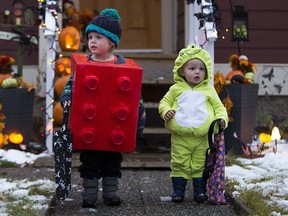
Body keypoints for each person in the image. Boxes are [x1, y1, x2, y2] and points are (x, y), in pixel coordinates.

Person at [59, 8, 146, 208]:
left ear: (112, 42)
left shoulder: (125, 69)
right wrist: (66, 97)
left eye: (98, 37)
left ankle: (110, 193)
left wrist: (138, 127)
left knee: (112, 162)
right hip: (90, 127)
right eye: (90, 37)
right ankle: (89, 195)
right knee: (89, 162)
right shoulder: (84, 65)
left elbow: (136, 99)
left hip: (115, 128)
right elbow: (71, 84)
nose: (92, 41)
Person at [158, 44, 228, 203]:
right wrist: (166, 111)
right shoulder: (176, 89)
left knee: (199, 165)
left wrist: (222, 120)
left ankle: (199, 192)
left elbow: (219, 107)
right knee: (179, 162)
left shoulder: (209, 90)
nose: (197, 72)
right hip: (180, 136)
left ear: (206, 71)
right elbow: (164, 103)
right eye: (192, 68)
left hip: (202, 137)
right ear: (182, 71)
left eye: (201, 69)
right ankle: (178, 191)